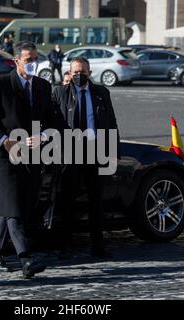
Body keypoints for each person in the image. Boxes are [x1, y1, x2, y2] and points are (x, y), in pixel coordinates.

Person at [0, 41, 56, 279]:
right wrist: (4, 140)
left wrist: (44, 135)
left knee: (9, 207)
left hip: (31, 157)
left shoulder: (42, 86)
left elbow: (51, 120)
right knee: (14, 208)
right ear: (16, 61)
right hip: (4, 156)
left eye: (35, 59)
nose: (33, 64)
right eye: (28, 60)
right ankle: (25, 259)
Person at [52, 57, 119, 258]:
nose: (78, 76)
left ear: (89, 72)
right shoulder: (60, 93)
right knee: (68, 201)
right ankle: (65, 247)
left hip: (95, 152)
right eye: (75, 73)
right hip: (70, 153)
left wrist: (113, 151)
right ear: (70, 74)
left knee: (96, 202)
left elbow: (111, 122)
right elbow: (52, 122)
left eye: (82, 72)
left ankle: (98, 246)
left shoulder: (101, 93)